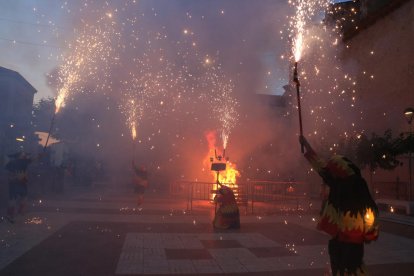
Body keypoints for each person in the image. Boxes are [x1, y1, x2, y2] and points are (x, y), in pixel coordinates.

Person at [299, 135, 379, 276]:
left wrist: (368, 234)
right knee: (344, 268)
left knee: (351, 269)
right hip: (343, 240)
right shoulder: (345, 184)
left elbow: (321, 167)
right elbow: (321, 168)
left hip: (350, 242)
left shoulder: (344, 185)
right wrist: (306, 144)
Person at [5, 152, 33, 223]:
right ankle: (12, 215)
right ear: (19, 156)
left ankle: (15, 213)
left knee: (20, 198)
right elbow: (31, 160)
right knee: (14, 200)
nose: (24, 155)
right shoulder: (21, 162)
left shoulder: (14, 162)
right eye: (22, 155)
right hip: (16, 183)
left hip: (18, 182)